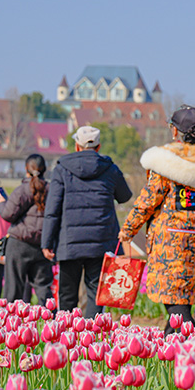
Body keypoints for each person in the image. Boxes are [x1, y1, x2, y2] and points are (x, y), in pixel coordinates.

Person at [119, 106, 195, 334]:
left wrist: (128, 230)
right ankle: (173, 350)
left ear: (174, 131)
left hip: (169, 246)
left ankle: (192, 351)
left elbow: (147, 201)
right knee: (182, 304)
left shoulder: (166, 165)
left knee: (177, 309)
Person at [42, 126, 132, 318]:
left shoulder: (62, 169)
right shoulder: (110, 169)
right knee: (96, 295)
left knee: (67, 295)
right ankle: (93, 339)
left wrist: (47, 243)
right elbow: (125, 196)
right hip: (101, 242)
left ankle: (66, 339)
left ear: (77, 146)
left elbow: (52, 210)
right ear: (99, 147)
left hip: (69, 242)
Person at [0, 154, 53, 305]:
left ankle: (11, 323)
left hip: (19, 244)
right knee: (43, 288)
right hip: (43, 244)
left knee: (14, 288)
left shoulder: (22, 190)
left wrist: (2, 203)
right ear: (45, 170)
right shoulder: (52, 191)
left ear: (26, 169)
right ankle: (53, 322)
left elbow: (8, 214)